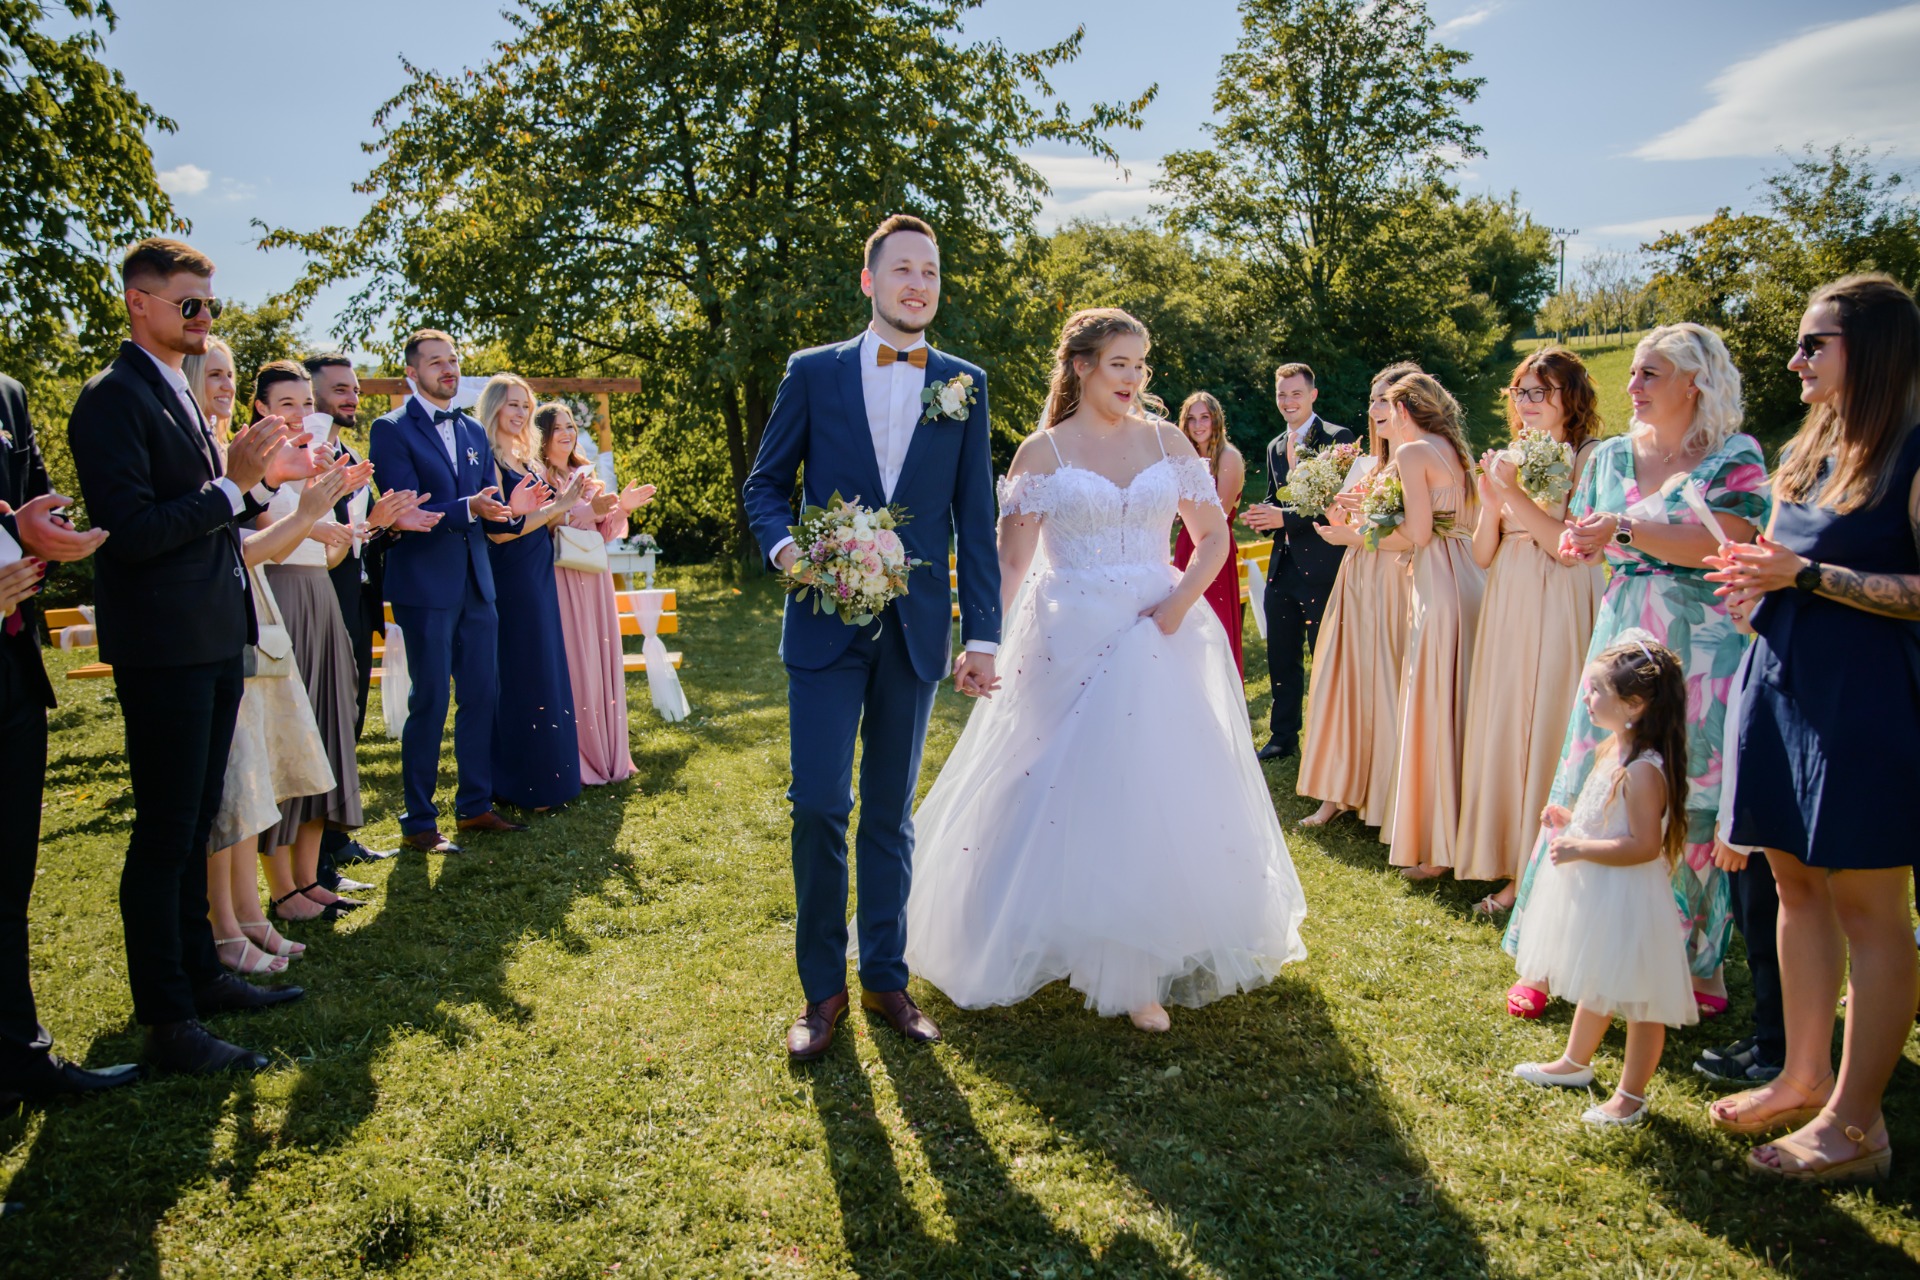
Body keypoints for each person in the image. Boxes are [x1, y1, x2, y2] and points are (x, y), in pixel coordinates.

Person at [904, 308, 1306, 1031]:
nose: (1134, 378)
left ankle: (1137, 965)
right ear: (1082, 365)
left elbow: (1211, 537)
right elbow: (1011, 563)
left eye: (1141, 365)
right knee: (1050, 784)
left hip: (1158, 628)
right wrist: (981, 642)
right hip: (1068, 634)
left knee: (1152, 786)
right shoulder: (1042, 453)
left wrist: (1178, 605)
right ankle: (1013, 925)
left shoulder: (1167, 439)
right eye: (1120, 363)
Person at [742, 214, 1001, 1062]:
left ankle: (886, 979)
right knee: (820, 804)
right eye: (902, 270)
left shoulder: (963, 384)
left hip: (917, 631)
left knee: (889, 814)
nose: (917, 285)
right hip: (824, 624)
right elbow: (765, 485)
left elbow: (976, 519)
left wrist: (984, 636)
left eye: (930, 271)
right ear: (870, 281)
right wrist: (791, 553)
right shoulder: (811, 372)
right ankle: (821, 992)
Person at [68, 238, 313, 1077]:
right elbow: (133, 533)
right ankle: (168, 1018)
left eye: (211, 304)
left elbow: (216, 519)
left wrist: (255, 485)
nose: (205, 318)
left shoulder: (177, 388)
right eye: (189, 303)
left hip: (212, 636)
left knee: (198, 820)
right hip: (163, 643)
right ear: (139, 303)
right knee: (166, 830)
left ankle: (202, 976)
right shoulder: (111, 399)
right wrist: (233, 487)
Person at [1704, 274, 1920, 1183]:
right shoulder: (1813, 448)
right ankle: (1803, 1074)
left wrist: (1806, 578)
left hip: (1866, 699)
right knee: (1792, 885)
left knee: (1870, 906)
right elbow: (1793, 562)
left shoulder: (1913, 451)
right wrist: (1758, 583)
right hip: (1782, 679)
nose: (1795, 360)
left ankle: (1857, 1124)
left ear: (1871, 350)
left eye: (1812, 343)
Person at [1502, 323, 1769, 1020]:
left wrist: (1622, 529)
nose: (1633, 385)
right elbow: (1583, 544)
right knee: (1593, 778)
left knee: (1689, 788)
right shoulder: (1614, 455)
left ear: (1695, 382)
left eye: (1650, 373)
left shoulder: (1735, 456)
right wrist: (1585, 539)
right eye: (1635, 372)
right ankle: (1551, 953)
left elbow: (1725, 543)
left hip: (1704, 647)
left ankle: (1693, 960)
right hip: (1623, 632)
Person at [0, 371, 137, 1105]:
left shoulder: (8, 394)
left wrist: (49, 538)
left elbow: (34, 503)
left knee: (10, 878)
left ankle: (18, 1056)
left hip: (13, 669)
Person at [1510, 634, 1697, 1128]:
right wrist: (1570, 820)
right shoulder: (1616, 751)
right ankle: (1575, 1062)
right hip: (1606, 893)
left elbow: (1643, 845)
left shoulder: (1644, 772)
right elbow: (1609, 821)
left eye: (1597, 691)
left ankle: (1630, 1096)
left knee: (1640, 1001)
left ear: (1633, 705)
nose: (1587, 698)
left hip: (1631, 898)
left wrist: (1578, 848)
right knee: (1599, 980)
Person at [370, 329, 542, 853]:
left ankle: (474, 806)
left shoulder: (471, 429)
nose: (448, 369)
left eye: (453, 360)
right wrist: (469, 507)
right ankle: (419, 822)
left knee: (482, 695)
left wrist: (506, 509)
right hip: (425, 583)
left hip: (477, 581)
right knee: (430, 700)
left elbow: (486, 506)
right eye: (435, 362)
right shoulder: (390, 429)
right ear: (412, 373)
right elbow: (406, 506)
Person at [1454, 349, 1606, 913]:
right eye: (1520, 392)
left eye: (1540, 391)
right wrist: (1491, 500)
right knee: (1508, 720)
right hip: (1509, 596)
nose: (1526, 402)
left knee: (1548, 723)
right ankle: (1505, 851)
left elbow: (1568, 549)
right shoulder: (1510, 456)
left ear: (1571, 396)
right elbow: (1483, 553)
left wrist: (1512, 492)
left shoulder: (1589, 457)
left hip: (1559, 596)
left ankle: (1538, 870)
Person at [206, 467, 347, 972]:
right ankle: (229, 919)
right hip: (233, 604)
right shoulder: (241, 468)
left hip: (261, 597)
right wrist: (306, 515)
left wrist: (325, 521)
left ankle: (247, 913)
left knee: (253, 771)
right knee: (235, 776)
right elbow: (245, 547)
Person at [247, 363, 372, 922]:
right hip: (281, 598)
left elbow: (331, 554)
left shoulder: (316, 463)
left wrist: (346, 526)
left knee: (324, 730)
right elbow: (270, 546)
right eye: (286, 404)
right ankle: (281, 890)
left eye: (305, 404)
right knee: (287, 741)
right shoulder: (255, 466)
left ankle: (309, 879)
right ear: (261, 408)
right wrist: (313, 516)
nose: (299, 415)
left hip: (321, 594)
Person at [308, 352, 428, 873]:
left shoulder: (351, 454)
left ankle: (335, 839)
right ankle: (312, 854)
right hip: (319, 600)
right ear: (311, 395)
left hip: (358, 602)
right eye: (339, 389)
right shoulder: (305, 458)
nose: (351, 397)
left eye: (354, 388)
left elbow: (364, 536)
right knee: (320, 722)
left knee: (350, 717)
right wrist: (377, 522)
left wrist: (390, 526)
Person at [1364, 372, 1484, 878]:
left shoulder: (1413, 453)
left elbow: (1417, 532)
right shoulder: (1456, 451)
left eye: (1389, 409)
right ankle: (1460, 830)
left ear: (1403, 410)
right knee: (1462, 706)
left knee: (1434, 708)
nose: (1385, 419)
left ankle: (1437, 848)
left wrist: (1367, 531)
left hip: (1437, 581)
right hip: (1471, 577)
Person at [1295, 362, 1417, 830]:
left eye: (1386, 399)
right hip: (1357, 577)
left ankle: (1388, 794)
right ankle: (1339, 789)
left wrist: (1353, 534)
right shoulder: (1367, 465)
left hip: (1396, 580)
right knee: (1346, 680)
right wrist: (1332, 507)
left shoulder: (1420, 460)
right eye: (1373, 399)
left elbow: (1415, 533)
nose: (1376, 408)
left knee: (1388, 680)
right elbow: (1346, 523)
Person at [477, 377, 585, 813]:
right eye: (512, 405)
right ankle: (522, 784)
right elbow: (501, 532)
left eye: (525, 405)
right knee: (522, 672)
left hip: (539, 569)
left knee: (546, 667)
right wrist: (556, 507)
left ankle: (550, 778)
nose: (521, 413)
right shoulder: (488, 461)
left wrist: (567, 507)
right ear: (494, 408)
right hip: (511, 575)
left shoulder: (526, 460)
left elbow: (540, 520)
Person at [1242, 364, 1355, 761]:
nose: (1288, 401)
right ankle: (1282, 737)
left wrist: (1284, 518)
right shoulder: (1275, 446)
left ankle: (1332, 744)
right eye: (1281, 395)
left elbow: (1337, 502)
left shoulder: (1337, 439)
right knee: (1281, 655)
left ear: (1313, 395)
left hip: (1324, 565)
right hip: (1283, 566)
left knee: (1325, 657)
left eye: (1295, 394)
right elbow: (1277, 497)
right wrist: (1263, 515)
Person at [537, 402, 654, 785]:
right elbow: (545, 524)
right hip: (560, 576)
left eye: (570, 426)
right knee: (574, 660)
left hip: (595, 578)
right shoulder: (538, 477)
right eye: (558, 428)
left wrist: (622, 509)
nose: (567, 433)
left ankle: (606, 750)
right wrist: (589, 511)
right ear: (542, 436)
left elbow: (605, 533)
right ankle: (576, 753)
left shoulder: (586, 477)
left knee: (599, 657)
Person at [1172, 392, 1246, 671]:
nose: (1197, 425)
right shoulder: (1185, 459)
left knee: (1214, 625)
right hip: (1185, 546)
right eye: (1191, 419)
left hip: (1214, 549)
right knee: (1185, 626)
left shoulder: (1229, 457)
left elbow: (1218, 515)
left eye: (1204, 417)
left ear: (1216, 419)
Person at [182, 336, 236, 446]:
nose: (229, 387)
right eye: (215, 375)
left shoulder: (220, 447)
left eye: (229, 375)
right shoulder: (180, 442)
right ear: (192, 378)